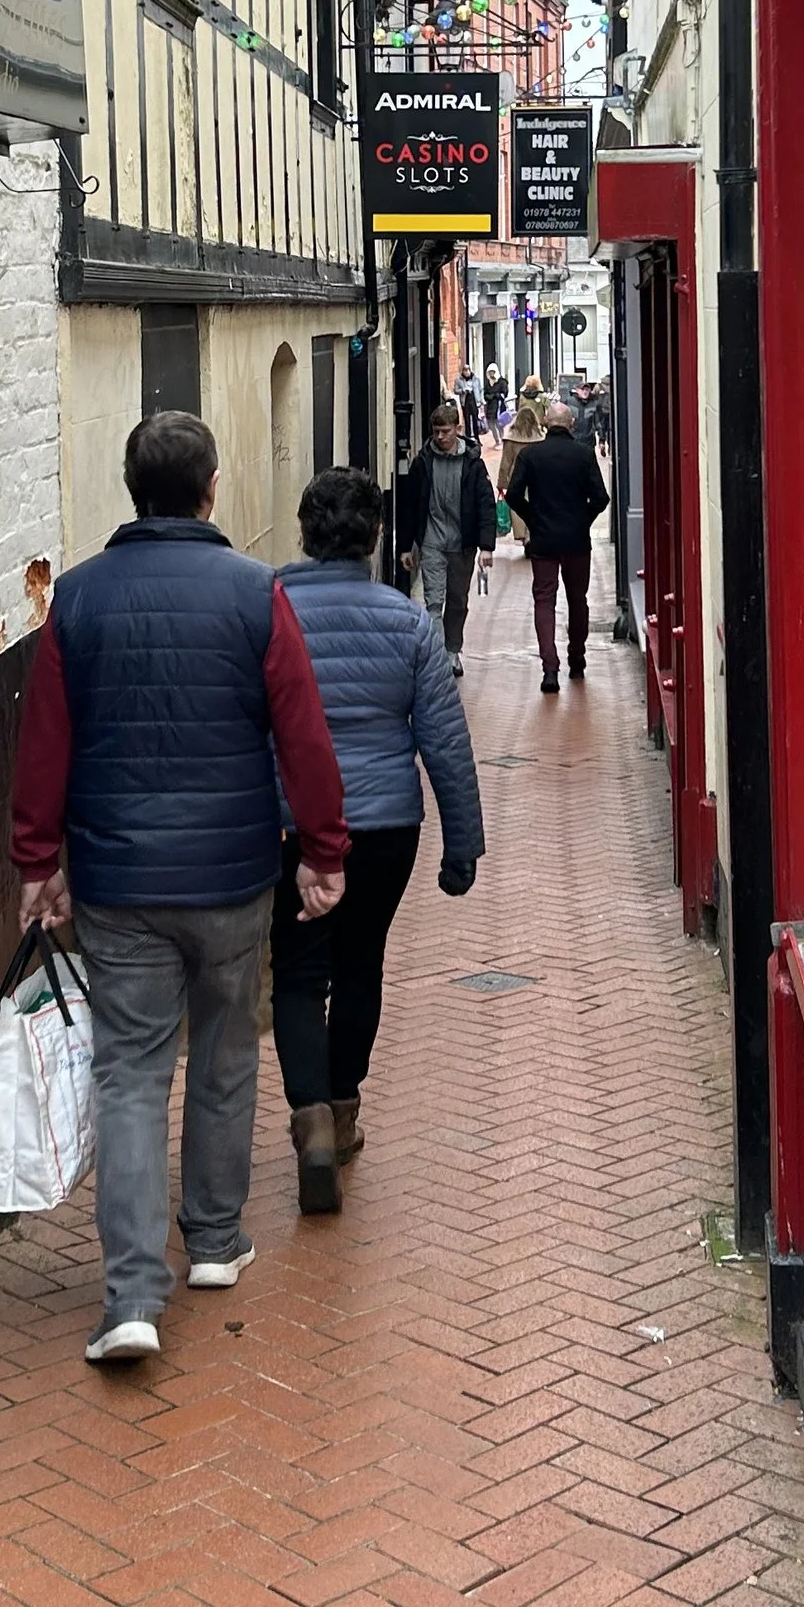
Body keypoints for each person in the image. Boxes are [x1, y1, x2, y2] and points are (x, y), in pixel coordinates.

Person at [12, 409, 348, 1365]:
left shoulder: (74, 601)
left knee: (129, 1072)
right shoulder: (255, 593)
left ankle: (129, 1295)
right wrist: (323, 849)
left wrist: (39, 864)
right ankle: (212, 1239)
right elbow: (303, 733)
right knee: (228, 1050)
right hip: (234, 874)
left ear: (132, 490)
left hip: (116, 878)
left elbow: (44, 746)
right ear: (210, 489)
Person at [273, 467, 484, 1214]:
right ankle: (343, 1104)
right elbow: (445, 743)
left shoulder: (268, 609)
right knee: (361, 962)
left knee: (298, 971)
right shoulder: (408, 624)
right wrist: (464, 843)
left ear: (304, 532)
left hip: (291, 823)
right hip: (387, 827)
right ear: (372, 539)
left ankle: (311, 1124)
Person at [510, 398, 611, 692]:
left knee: (544, 600)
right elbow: (601, 498)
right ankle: (576, 660)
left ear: (544, 424)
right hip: (576, 540)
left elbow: (514, 494)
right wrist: (583, 518)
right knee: (578, 599)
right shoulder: (583, 454)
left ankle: (550, 669)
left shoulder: (531, 456)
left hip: (543, 539)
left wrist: (533, 517)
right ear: (572, 425)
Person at [395, 399, 499, 672]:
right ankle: (439, 659)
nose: (440, 437)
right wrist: (406, 546)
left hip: (462, 544)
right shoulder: (423, 462)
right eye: (436, 431)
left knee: (458, 601)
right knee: (433, 601)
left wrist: (486, 546)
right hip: (432, 541)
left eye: (446, 431)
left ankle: (453, 649)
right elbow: (408, 504)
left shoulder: (473, 463)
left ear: (458, 428)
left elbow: (485, 504)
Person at [497, 382, 547, 505]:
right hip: (538, 481)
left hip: (516, 481)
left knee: (518, 515)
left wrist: (501, 484)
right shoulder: (541, 438)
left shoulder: (511, 438)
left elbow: (505, 464)